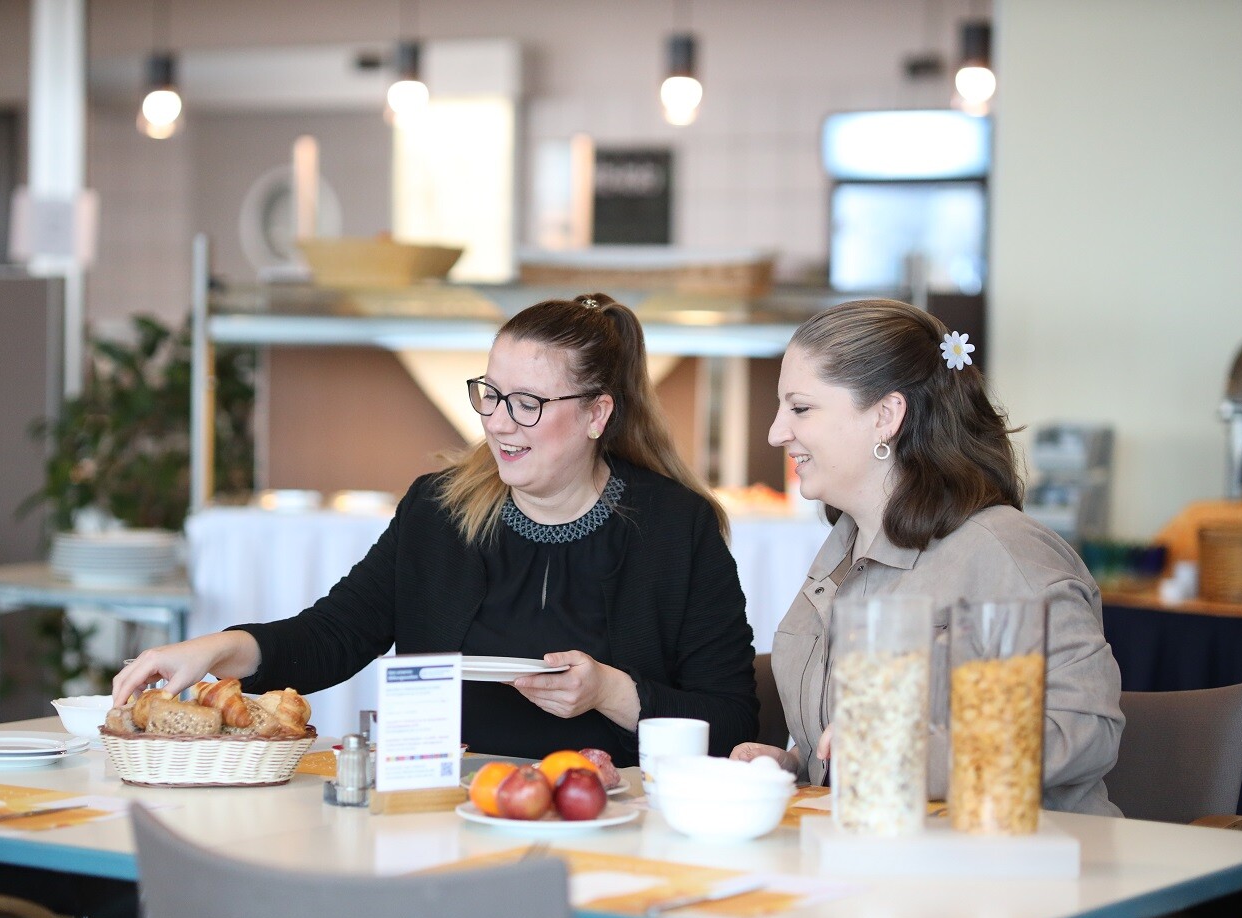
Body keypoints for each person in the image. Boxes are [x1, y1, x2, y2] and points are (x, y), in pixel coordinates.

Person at [113, 294, 758, 765]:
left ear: (597, 413)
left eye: (528, 404)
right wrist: (217, 650)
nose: (499, 424)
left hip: (612, 820)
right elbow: (334, 634)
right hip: (442, 802)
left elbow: (732, 724)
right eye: (491, 395)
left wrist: (610, 693)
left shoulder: (676, 530)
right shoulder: (440, 510)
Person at [729, 299, 1124, 816]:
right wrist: (794, 766)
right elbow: (854, 731)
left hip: (1017, 874)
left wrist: (903, 757)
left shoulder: (1007, 551)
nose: (776, 432)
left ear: (886, 416)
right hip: (882, 859)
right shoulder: (842, 548)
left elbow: (1085, 727)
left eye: (800, 408)